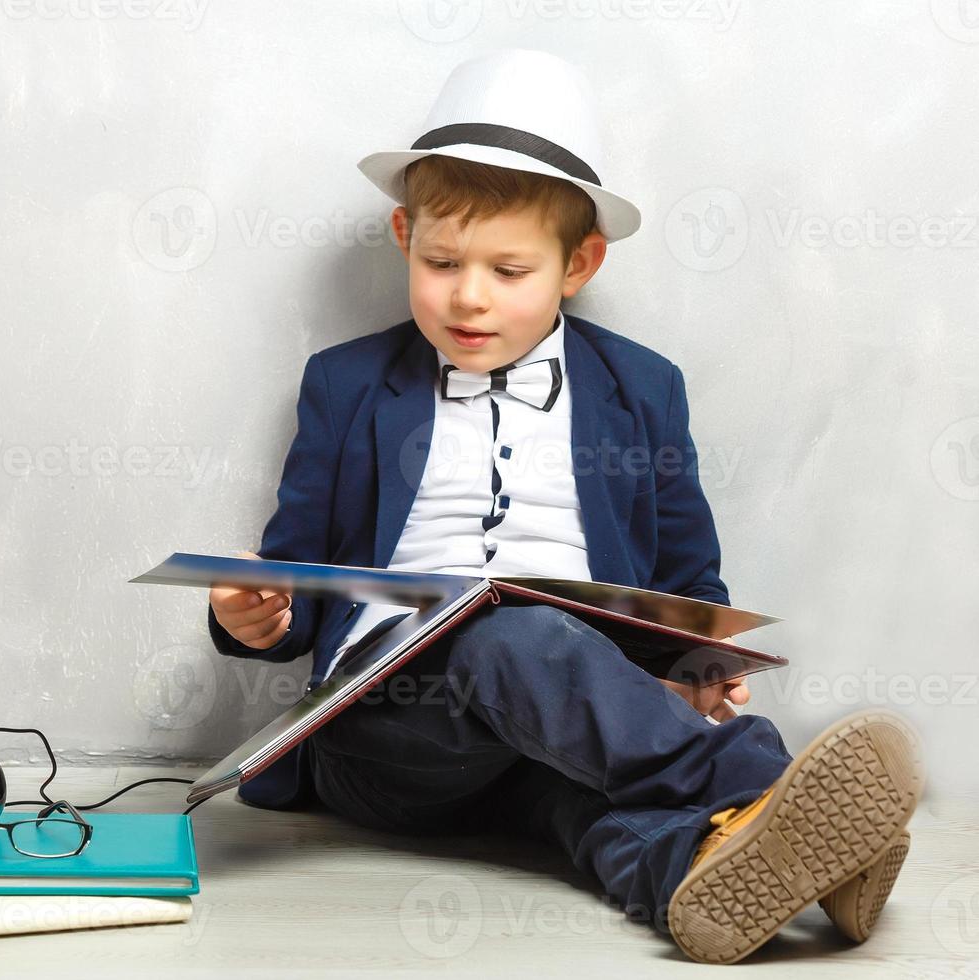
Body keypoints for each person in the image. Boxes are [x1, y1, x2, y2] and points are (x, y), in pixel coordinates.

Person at [205, 49, 923, 964]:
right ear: (402, 235)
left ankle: (705, 866)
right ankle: (765, 781)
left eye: (509, 270)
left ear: (578, 263)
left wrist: (698, 661)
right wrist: (254, 618)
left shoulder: (643, 390)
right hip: (387, 737)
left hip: (565, 734)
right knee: (508, 632)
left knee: (581, 806)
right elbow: (297, 588)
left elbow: (685, 580)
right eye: (442, 261)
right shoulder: (345, 385)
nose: (468, 295)